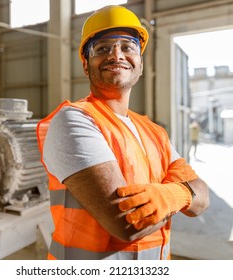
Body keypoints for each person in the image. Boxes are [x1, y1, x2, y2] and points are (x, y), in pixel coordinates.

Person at [37, 5, 209, 260]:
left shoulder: (154, 132)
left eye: (127, 47)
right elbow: (129, 224)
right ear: (86, 65)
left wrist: (175, 194)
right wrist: (181, 195)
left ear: (139, 64)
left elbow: (201, 197)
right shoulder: (74, 120)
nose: (116, 55)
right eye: (102, 48)